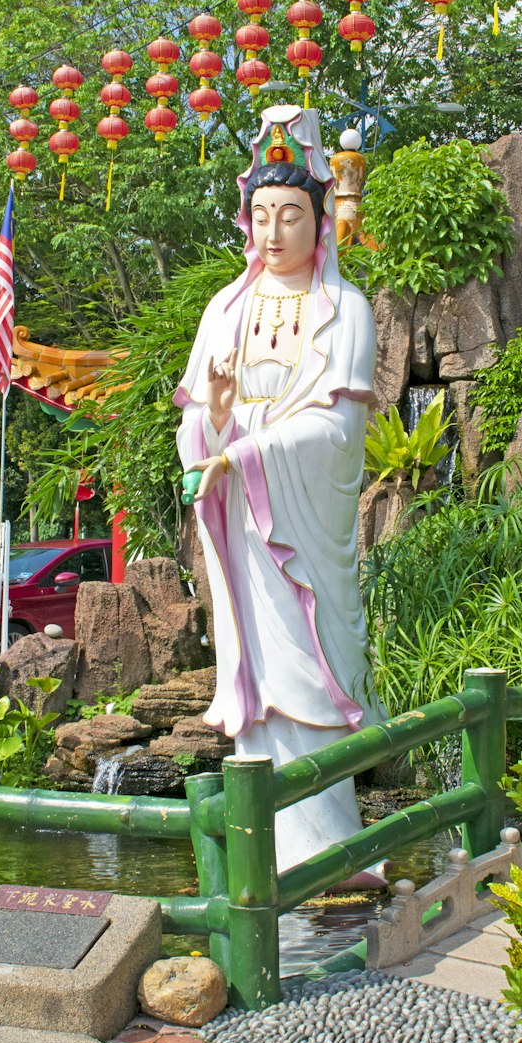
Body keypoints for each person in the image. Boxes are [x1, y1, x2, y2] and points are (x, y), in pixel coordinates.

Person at [174, 105, 386, 884]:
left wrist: (248, 453)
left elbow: (337, 436)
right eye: (261, 215)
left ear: (319, 221)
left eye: (290, 214)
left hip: (301, 525)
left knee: (311, 668)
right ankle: (265, 851)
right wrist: (222, 422)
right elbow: (197, 427)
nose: (272, 233)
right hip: (242, 531)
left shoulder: (346, 310)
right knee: (256, 684)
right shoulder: (224, 310)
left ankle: (329, 850)